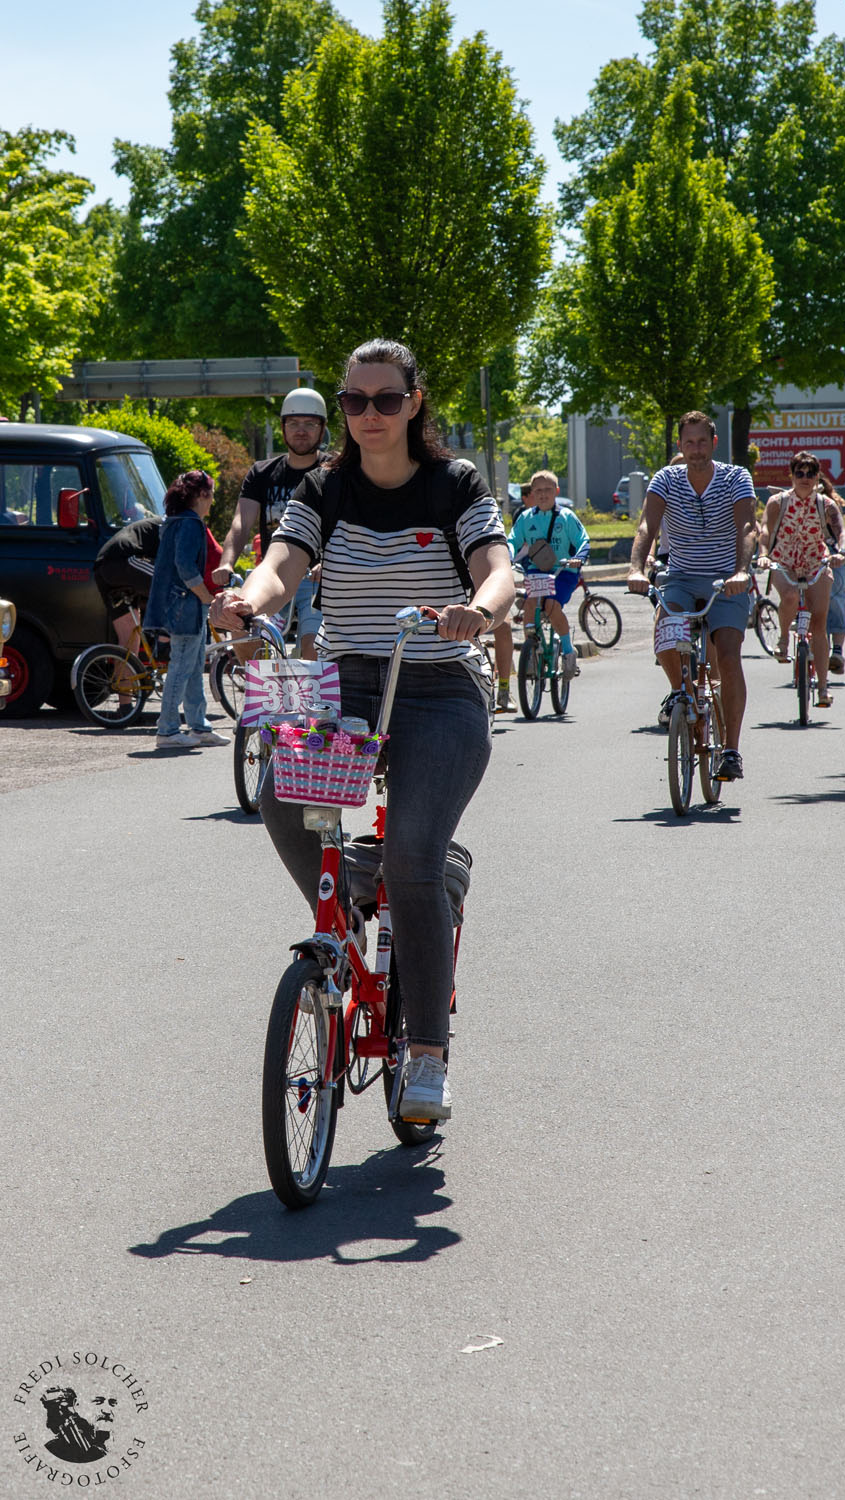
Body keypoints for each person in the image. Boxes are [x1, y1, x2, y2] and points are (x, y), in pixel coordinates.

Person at [211, 338, 513, 1121]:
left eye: (385, 399)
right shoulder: (325, 487)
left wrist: (477, 611)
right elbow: (282, 563)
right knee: (280, 796)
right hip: (346, 681)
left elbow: (497, 568)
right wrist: (248, 601)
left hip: (440, 687)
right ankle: (346, 919)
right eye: (353, 400)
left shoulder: (454, 483)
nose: (368, 414)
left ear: (414, 403)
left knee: (412, 854)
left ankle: (427, 1055)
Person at [628, 412, 756, 780]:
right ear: (680, 446)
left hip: (725, 579)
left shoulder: (735, 477)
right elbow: (647, 525)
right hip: (681, 577)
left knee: (728, 656)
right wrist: (636, 568)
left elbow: (747, 526)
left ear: (713, 443)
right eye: (689, 443)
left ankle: (731, 750)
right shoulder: (666, 479)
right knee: (665, 633)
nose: (695, 449)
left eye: (702, 442)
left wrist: (741, 571)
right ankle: (680, 694)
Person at [214, 387, 328, 659]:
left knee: (314, 647)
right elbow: (241, 523)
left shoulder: (334, 471)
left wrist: (328, 561)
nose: (301, 431)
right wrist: (226, 563)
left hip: (317, 579)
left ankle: (309, 686)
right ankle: (262, 683)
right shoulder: (261, 473)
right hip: (273, 576)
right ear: (283, 427)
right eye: (294, 423)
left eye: (310, 424)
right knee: (242, 630)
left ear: (322, 429)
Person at [143, 470, 229, 750]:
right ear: (202, 495)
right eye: (211, 494)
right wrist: (206, 597)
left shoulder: (174, 520)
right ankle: (167, 731)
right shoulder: (191, 523)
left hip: (176, 602)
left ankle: (199, 727)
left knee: (192, 666)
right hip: (186, 604)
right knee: (182, 667)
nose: (212, 501)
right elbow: (185, 566)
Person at [759, 452, 837, 706]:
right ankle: (783, 638)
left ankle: (823, 689)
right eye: (799, 473)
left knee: (819, 625)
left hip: (816, 562)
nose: (805, 478)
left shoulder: (825, 504)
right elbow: (765, 531)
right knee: (790, 595)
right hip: (784, 561)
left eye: (810, 473)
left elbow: (841, 531)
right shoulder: (777, 502)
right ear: (791, 475)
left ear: (817, 477)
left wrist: (841, 552)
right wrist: (763, 555)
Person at [506, 470, 590, 679]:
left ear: (557, 491)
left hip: (564, 570)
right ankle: (531, 651)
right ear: (532, 493)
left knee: (552, 605)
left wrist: (579, 558)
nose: (543, 494)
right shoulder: (526, 518)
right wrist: (507, 556)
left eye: (548, 490)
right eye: (538, 490)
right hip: (537, 570)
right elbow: (512, 540)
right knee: (529, 604)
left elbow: (583, 541)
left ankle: (568, 652)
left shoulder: (566, 517)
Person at [92, 515, 163, 656]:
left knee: (129, 642)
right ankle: (164, 643)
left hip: (103, 566)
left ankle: (125, 672)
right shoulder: (178, 525)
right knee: (172, 588)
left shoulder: (171, 521)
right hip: (122, 559)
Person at [817, 471, 845, 673]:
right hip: (802, 555)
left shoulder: (829, 505)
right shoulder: (790, 503)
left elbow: (841, 532)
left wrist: (841, 552)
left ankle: (837, 650)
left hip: (830, 554)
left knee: (836, 598)